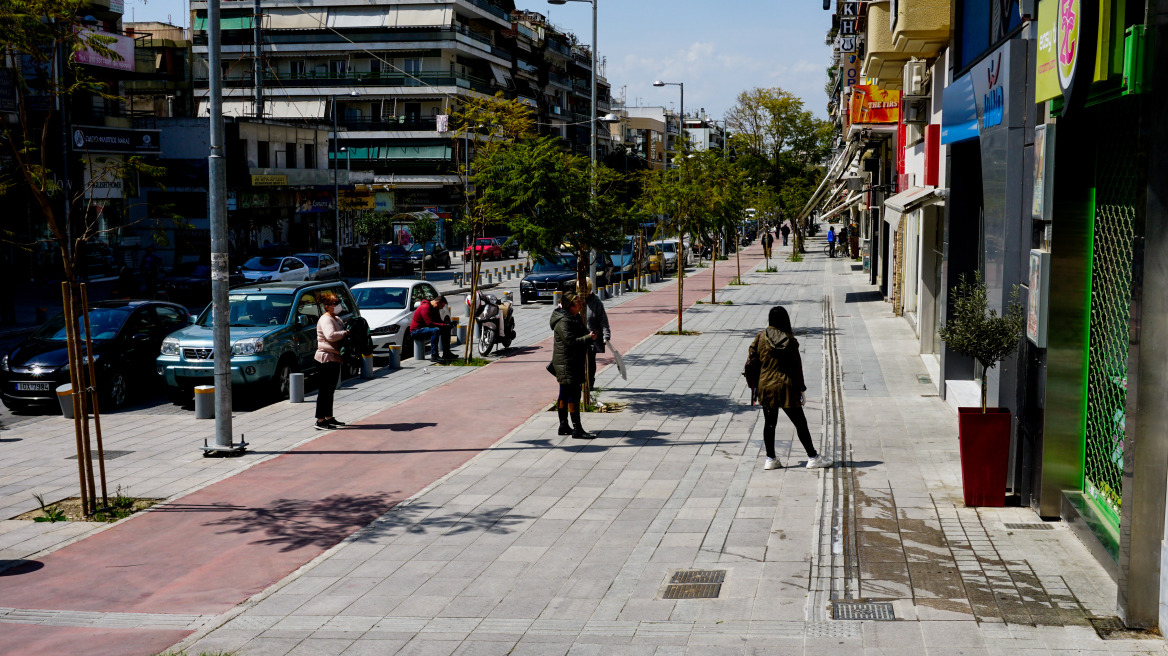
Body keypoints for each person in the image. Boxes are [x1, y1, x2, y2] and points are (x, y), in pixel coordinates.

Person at [749, 306, 832, 470]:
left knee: (769, 423)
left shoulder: (760, 337)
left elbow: (752, 359)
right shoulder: (790, 341)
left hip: (765, 385)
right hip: (786, 386)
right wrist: (801, 389)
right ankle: (813, 456)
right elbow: (796, 368)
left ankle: (770, 459)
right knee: (800, 422)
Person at [551, 290, 599, 439]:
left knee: (565, 393)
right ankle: (577, 429)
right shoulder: (564, 320)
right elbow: (570, 342)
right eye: (578, 302)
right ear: (569, 305)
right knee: (573, 394)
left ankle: (564, 426)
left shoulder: (574, 317)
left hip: (571, 361)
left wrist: (590, 336)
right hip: (567, 362)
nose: (581, 304)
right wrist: (587, 338)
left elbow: (583, 333)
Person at [314, 291, 349, 430]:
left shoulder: (336, 318)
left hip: (334, 358)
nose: (338, 305)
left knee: (330, 390)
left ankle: (329, 417)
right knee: (324, 390)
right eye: (335, 303)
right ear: (327, 306)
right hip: (325, 359)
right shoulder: (326, 319)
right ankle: (320, 420)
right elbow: (331, 336)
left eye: (338, 302)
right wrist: (346, 333)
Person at [582, 279, 611, 390]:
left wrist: (606, 336)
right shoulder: (576, 300)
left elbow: (603, 320)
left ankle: (589, 384)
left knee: (590, 362)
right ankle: (581, 384)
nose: (584, 293)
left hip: (591, 338)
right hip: (578, 338)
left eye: (587, 291)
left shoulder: (596, 302)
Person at [409, 295, 456, 360]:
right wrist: (444, 325)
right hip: (416, 331)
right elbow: (429, 324)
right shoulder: (425, 307)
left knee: (446, 329)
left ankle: (446, 353)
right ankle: (434, 355)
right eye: (441, 306)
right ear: (437, 302)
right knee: (435, 330)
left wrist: (448, 324)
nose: (441, 308)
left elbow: (439, 321)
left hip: (426, 329)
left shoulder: (435, 308)